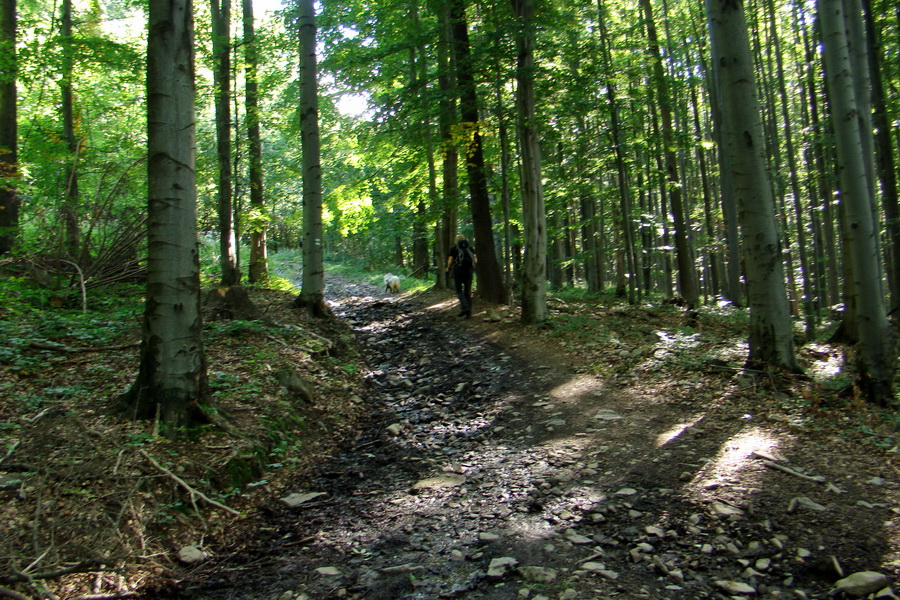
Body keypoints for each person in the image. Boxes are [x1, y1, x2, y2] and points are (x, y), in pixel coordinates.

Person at [447, 234, 477, 318]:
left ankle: (465, 307)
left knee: (459, 290)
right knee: (467, 291)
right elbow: (475, 260)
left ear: (456, 241)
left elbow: (450, 261)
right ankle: (469, 313)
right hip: (469, 271)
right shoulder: (470, 248)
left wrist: (448, 268)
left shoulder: (454, 248)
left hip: (458, 270)